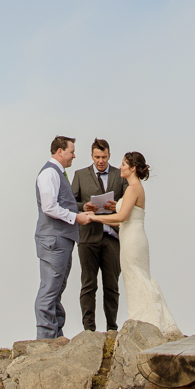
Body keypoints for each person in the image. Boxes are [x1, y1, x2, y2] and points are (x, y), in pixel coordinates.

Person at [90, 150, 182, 339]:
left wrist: (95, 218)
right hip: (131, 236)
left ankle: (148, 321)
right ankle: (148, 320)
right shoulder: (134, 188)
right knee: (136, 278)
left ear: (132, 168)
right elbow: (122, 219)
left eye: (124, 164)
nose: (120, 167)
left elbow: (122, 217)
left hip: (132, 240)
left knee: (136, 278)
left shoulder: (132, 188)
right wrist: (110, 210)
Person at [33, 135, 94, 339]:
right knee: (50, 289)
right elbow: (49, 206)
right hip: (54, 240)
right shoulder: (49, 173)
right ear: (60, 151)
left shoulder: (58, 173)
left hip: (61, 240)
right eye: (71, 151)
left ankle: (56, 335)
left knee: (56, 289)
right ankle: (45, 339)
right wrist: (76, 217)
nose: (74, 156)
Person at [72, 138, 125, 332]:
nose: (100, 161)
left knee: (112, 286)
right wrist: (84, 206)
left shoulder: (120, 175)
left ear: (109, 155)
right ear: (92, 156)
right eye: (97, 157)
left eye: (103, 157)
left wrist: (117, 205)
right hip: (88, 237)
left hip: (112, 237)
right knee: (88, 285)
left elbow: (128, 201)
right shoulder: (80, 175)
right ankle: (89, 329)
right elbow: (69, 202)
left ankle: (112, 328)